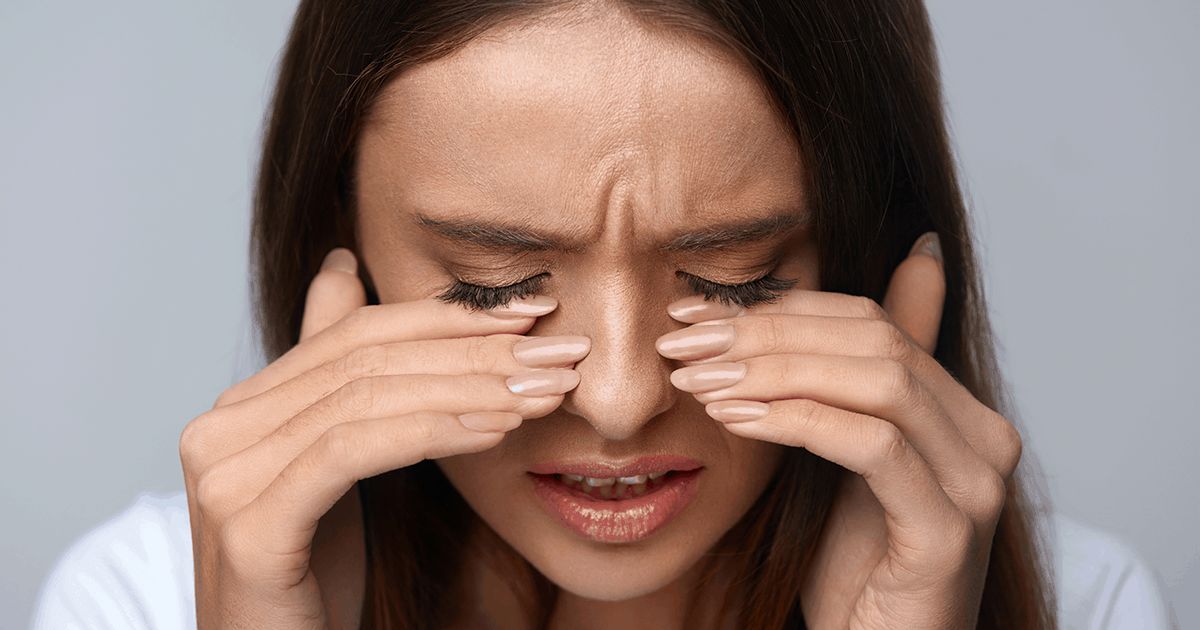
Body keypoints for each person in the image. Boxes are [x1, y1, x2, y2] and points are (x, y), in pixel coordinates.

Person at [29, 1, 1178, 628]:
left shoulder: (1090, 607)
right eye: (494, 282)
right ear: (346, 253)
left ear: (868, 254)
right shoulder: (135, 603)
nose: (623, 399)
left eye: (736, 275)